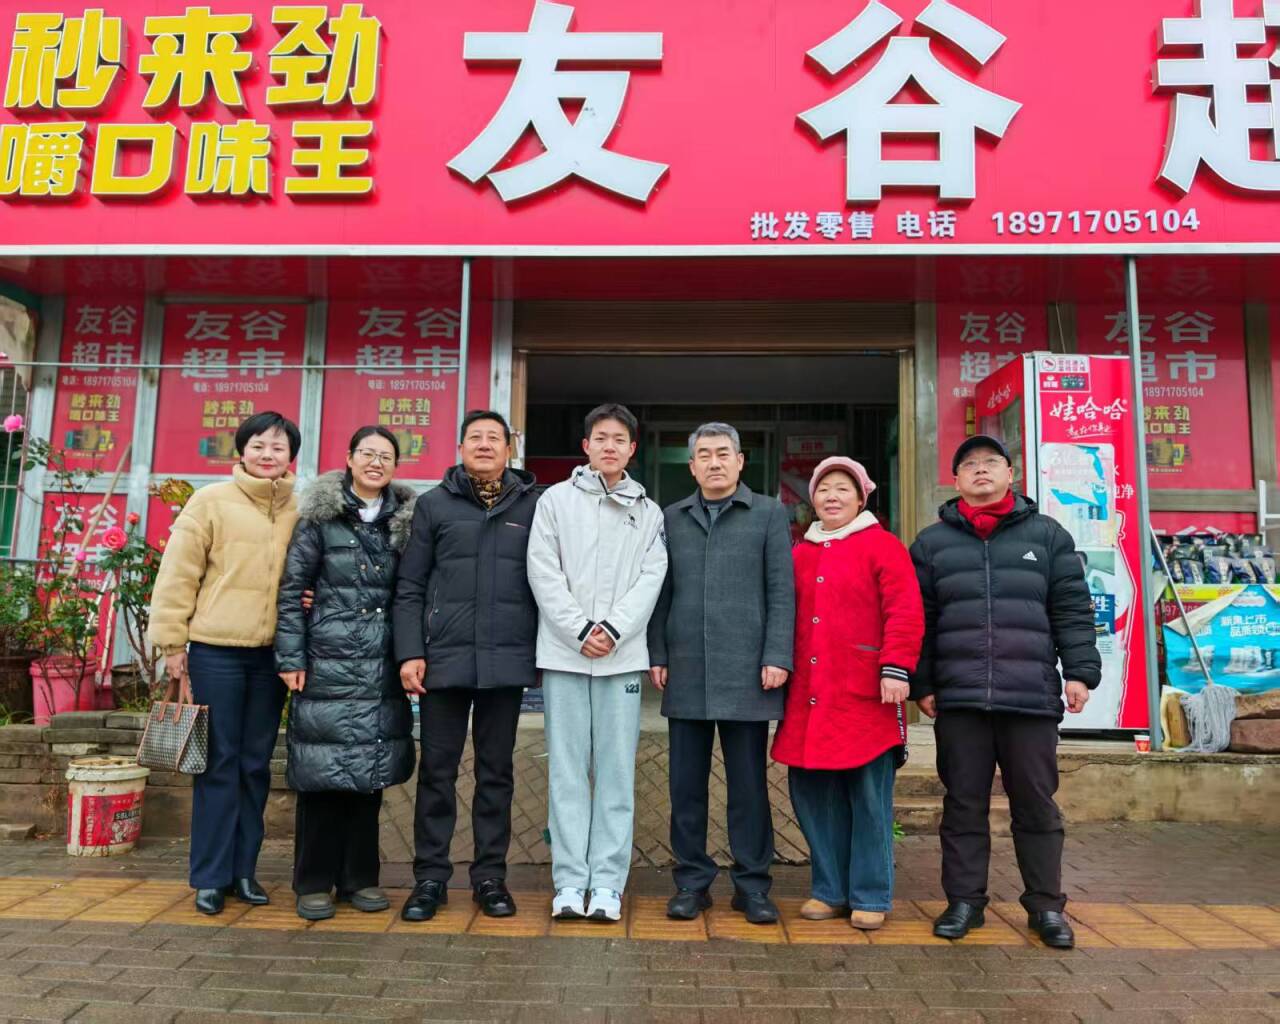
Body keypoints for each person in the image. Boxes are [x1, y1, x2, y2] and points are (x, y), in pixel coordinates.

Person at [910, 435, 1101, 949]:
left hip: (1030, 697)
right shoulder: (931, 544)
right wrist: (922, 683)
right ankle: (964, 902)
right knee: (963, 805)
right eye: (969, 464)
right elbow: (919, 620)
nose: (980, 470)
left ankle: (1046, 907)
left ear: (1010, 474)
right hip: (960, 698)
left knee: (1036, 805)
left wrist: (1080, 672)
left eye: (990, 462)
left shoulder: (1048, 535)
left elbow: (1072, 609)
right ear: (955, 480)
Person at [148, 411, 301, 916]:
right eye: (258, 445)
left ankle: (244, 871)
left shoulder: (299, 508)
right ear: (242, 450)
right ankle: (210, 877)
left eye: (278, 447)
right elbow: (177, 575)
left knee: (256, 765)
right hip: (216, 652)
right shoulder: (210, 501)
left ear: (291, 456)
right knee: (219, 762)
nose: (267, 454)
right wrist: (173, 645)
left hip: (272, 656)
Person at [393, 410, 540, 922]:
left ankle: (490, 877)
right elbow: (410, 585)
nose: (484, 444)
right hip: (444, 659)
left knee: (496, 773)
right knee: (437, 772)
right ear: (459, 448)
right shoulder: (433, 505)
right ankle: (430, 878)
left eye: (494, 437)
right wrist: (410, 652)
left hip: (506, 659)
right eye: (474, 437)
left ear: (508, 449)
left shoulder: (534, 505)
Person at [647, 422, 795, 925]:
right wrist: (658, 652)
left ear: (740, 461)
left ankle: (752, 885)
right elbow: (660, 590)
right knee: (685, 787)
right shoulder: (672, 517)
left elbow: (781, 591)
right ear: (692, 466)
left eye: (723, 453)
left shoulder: (768, 514)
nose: (714, 462)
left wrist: (777, 655)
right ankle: (691, 881)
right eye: (704, 454)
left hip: (748, 670)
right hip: (687, 667)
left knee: (749, 787)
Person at [526, 403, 668, 922]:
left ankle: (607, 883)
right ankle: (569, 882)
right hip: (565, 656)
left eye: (619, 439)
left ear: (632, 449)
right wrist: (580, 630)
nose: (610, 446)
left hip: (621, 659)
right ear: (585, 446)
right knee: (566, 772)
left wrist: (612, 629)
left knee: (615, 774)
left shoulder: (648, 512)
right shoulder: (554, 501)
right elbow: (542, 570)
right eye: (601, 438)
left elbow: (651, 578)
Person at [771, 457, 924, 931]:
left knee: (869, 800)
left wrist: (896, 667)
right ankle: (829, 889)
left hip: (866, 696)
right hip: (809, 697)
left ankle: (870, 893)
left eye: (842, 488)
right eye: (823, 489)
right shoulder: (799, 553)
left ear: (861, 498)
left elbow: (904, 609)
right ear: (811, 500)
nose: (832, 496)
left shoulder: (883, 546)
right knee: (813, 796)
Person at [274, 426, 417, 921]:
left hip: (380, 664)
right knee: (321, 774)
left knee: (368, 777)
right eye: (367, 453)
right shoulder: (319, 518)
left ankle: (360, 878)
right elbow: (292, 591)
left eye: (386, 456)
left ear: (395, 466)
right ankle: (313, 881)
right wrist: (291, 658)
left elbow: (414, 592)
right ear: (349, 459)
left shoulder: (405, 523)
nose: (376, 462)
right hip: (325, 662)